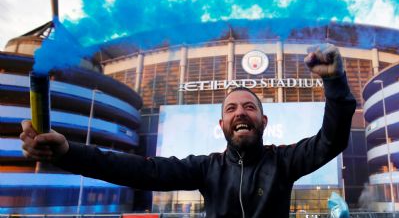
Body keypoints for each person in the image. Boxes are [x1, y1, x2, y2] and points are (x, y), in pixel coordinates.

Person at [20, 44, 356, 218]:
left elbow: (332, 140)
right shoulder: (206, 168)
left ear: (263, 122)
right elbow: (141, 171)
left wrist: (335, 81)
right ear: (221, 125)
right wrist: (68, 152)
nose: (240, 112)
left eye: (250, 107)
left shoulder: (284, 162)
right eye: (231, 109)